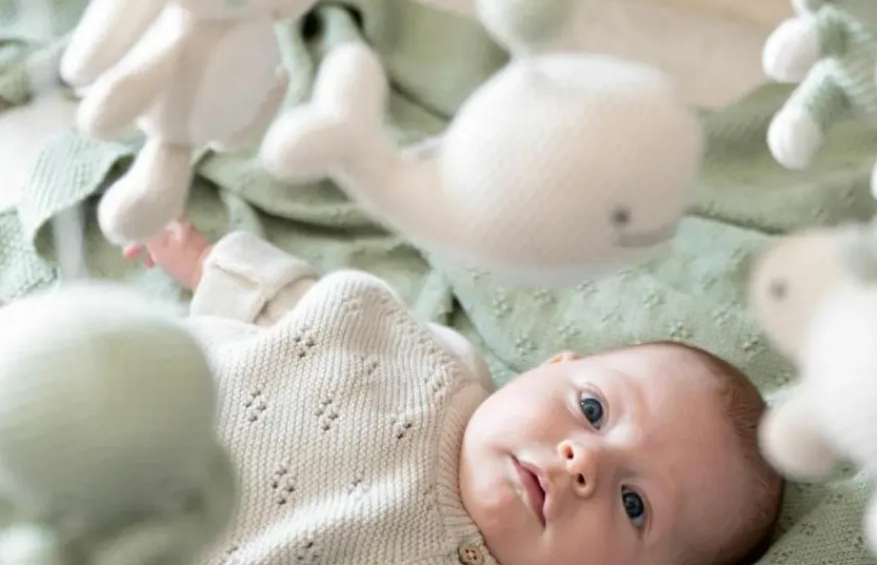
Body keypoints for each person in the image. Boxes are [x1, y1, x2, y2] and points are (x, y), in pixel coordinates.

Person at [142, 221, 784, 565]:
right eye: (592, 409)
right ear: (553, 366)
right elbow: (302, 317)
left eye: (635, 506)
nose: (584, 461)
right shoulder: (426, 361)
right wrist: (206, 262)